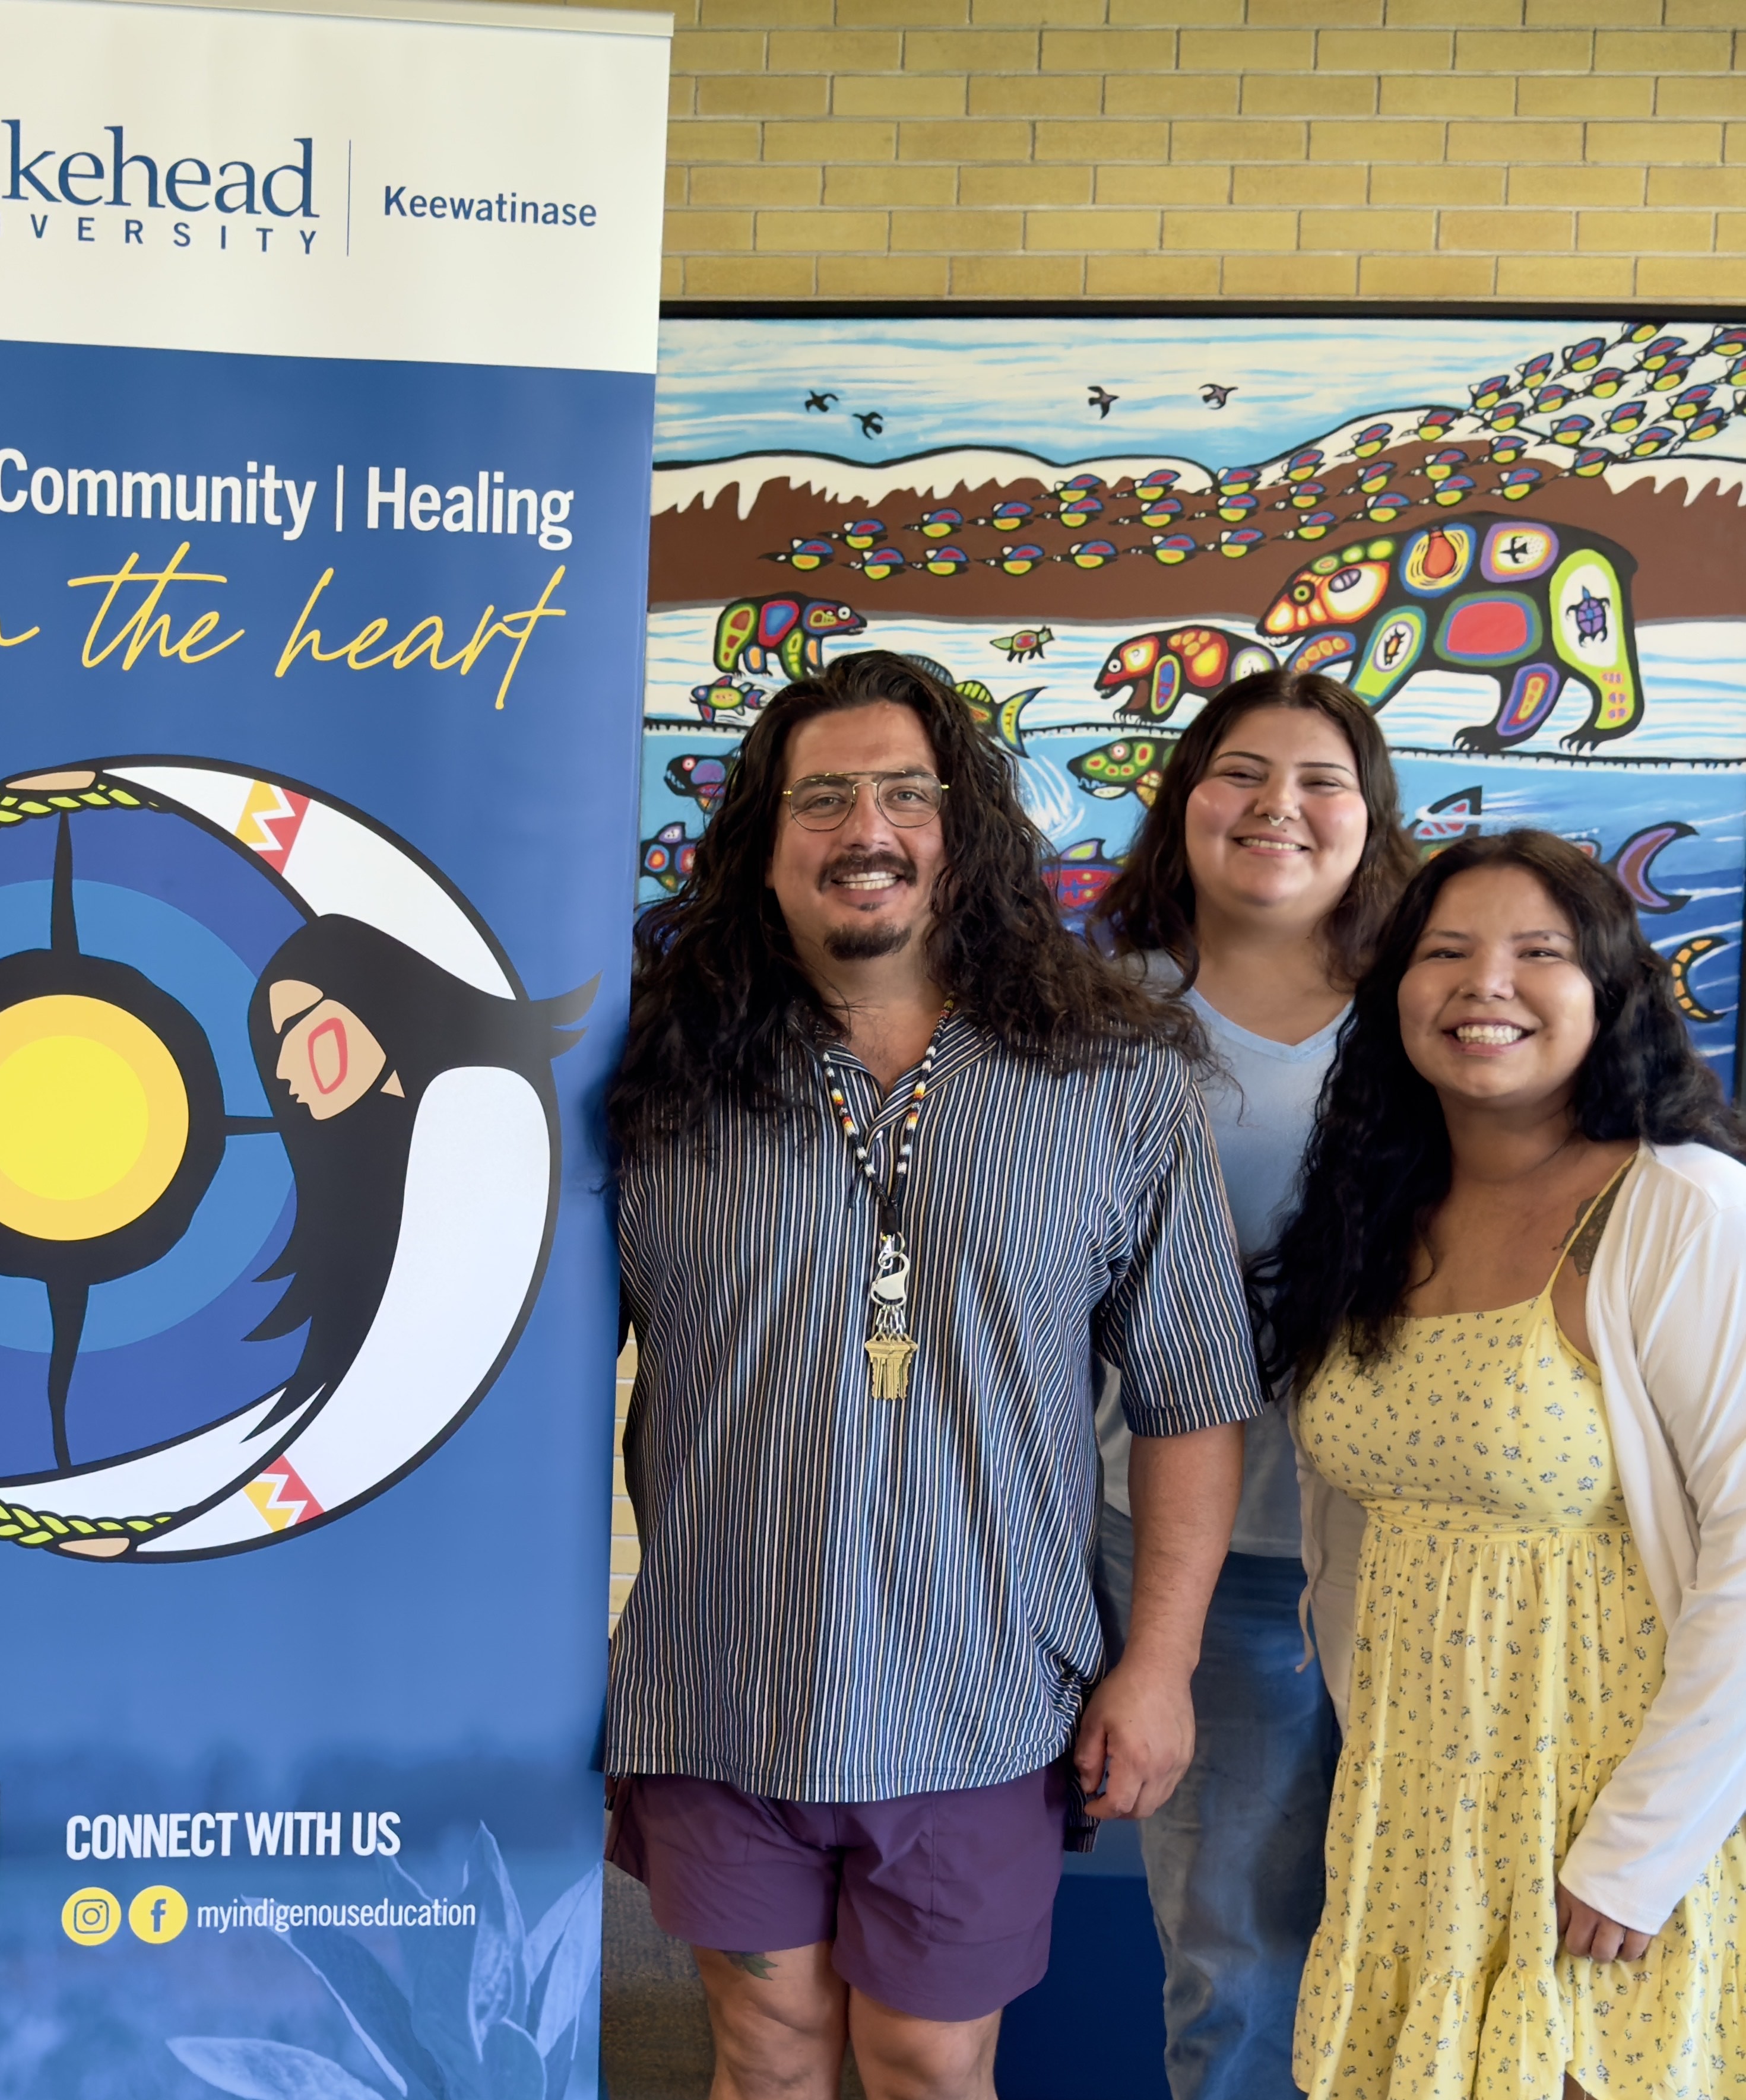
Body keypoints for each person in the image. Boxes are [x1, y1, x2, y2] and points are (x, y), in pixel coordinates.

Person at [603, 651, 1262, 2100]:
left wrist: (1156, 1666)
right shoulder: (653, 1076)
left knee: (927, 2063)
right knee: (763, 2053)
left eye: (908, 791)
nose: (867, 828)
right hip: (722, 1681)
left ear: (964, 831)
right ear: (761, 847)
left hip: (983, 1695)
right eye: (821, 797)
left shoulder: (1114, 1079)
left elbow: (1191, 1401)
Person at [1260, 831, 1746, 2100]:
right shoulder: (1371, 1213)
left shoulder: (1680, 1210)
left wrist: (1640, 1849)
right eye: (1445, 952)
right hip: (1416, 1797)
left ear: (1608, 992)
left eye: (1538, 953)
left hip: (1614, 1799)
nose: (1487, 983)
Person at [1079, 671, 1416, 2100]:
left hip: (1419, 1543)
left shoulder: (1440, 1004)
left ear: (1369, 815)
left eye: (1320, 778)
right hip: (1204, 1561)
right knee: (1234, 1942)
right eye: (1240, 771)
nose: (1277, 804)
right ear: (1184, 800)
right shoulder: (1095, 1015)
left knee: (1430, 1923)